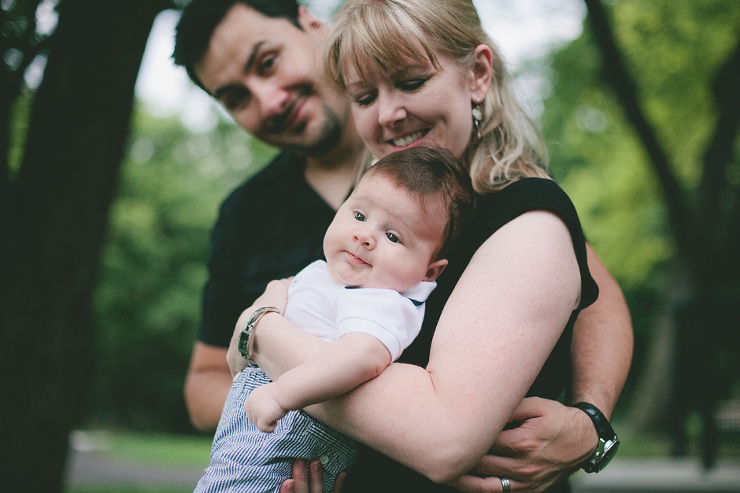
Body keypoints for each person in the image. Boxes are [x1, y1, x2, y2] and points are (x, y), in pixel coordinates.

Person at [172, 1, 634, 491]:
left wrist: (592, 422)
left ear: (312, 25)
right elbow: (208, 378)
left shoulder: (512, 205)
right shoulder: (250, 212)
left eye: (267, 62)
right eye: (364, 96)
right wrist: (291, 450)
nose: (269, 101)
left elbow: (593, 301)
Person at [195, 146, 474, 493]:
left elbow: (360, 357)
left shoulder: (382, 300)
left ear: (429, 271)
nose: (365, 236)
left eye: (393, 236)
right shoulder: (331, 276)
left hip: (293, 424)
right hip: (263, 423)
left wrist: (282, 393)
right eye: (359, 215)